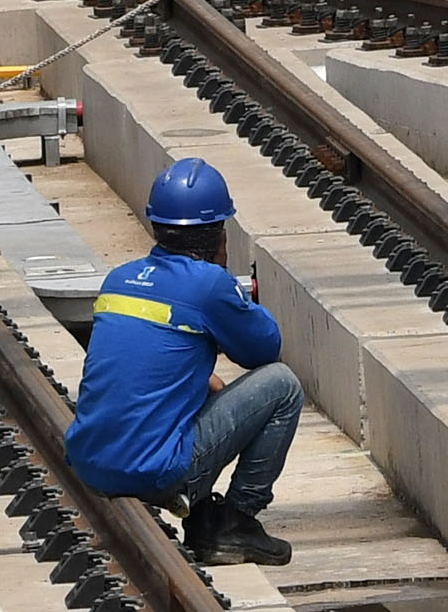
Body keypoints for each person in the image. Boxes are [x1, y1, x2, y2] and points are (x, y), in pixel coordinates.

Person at [66, 159, 300, 568]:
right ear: (219, 233)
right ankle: (235, 522)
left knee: (208, 384)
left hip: (91, 464)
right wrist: (231, 289)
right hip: (155, 472)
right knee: (283, 386)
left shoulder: (119, 278)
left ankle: (204, 511)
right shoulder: (209, 283)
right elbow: (265, 350)